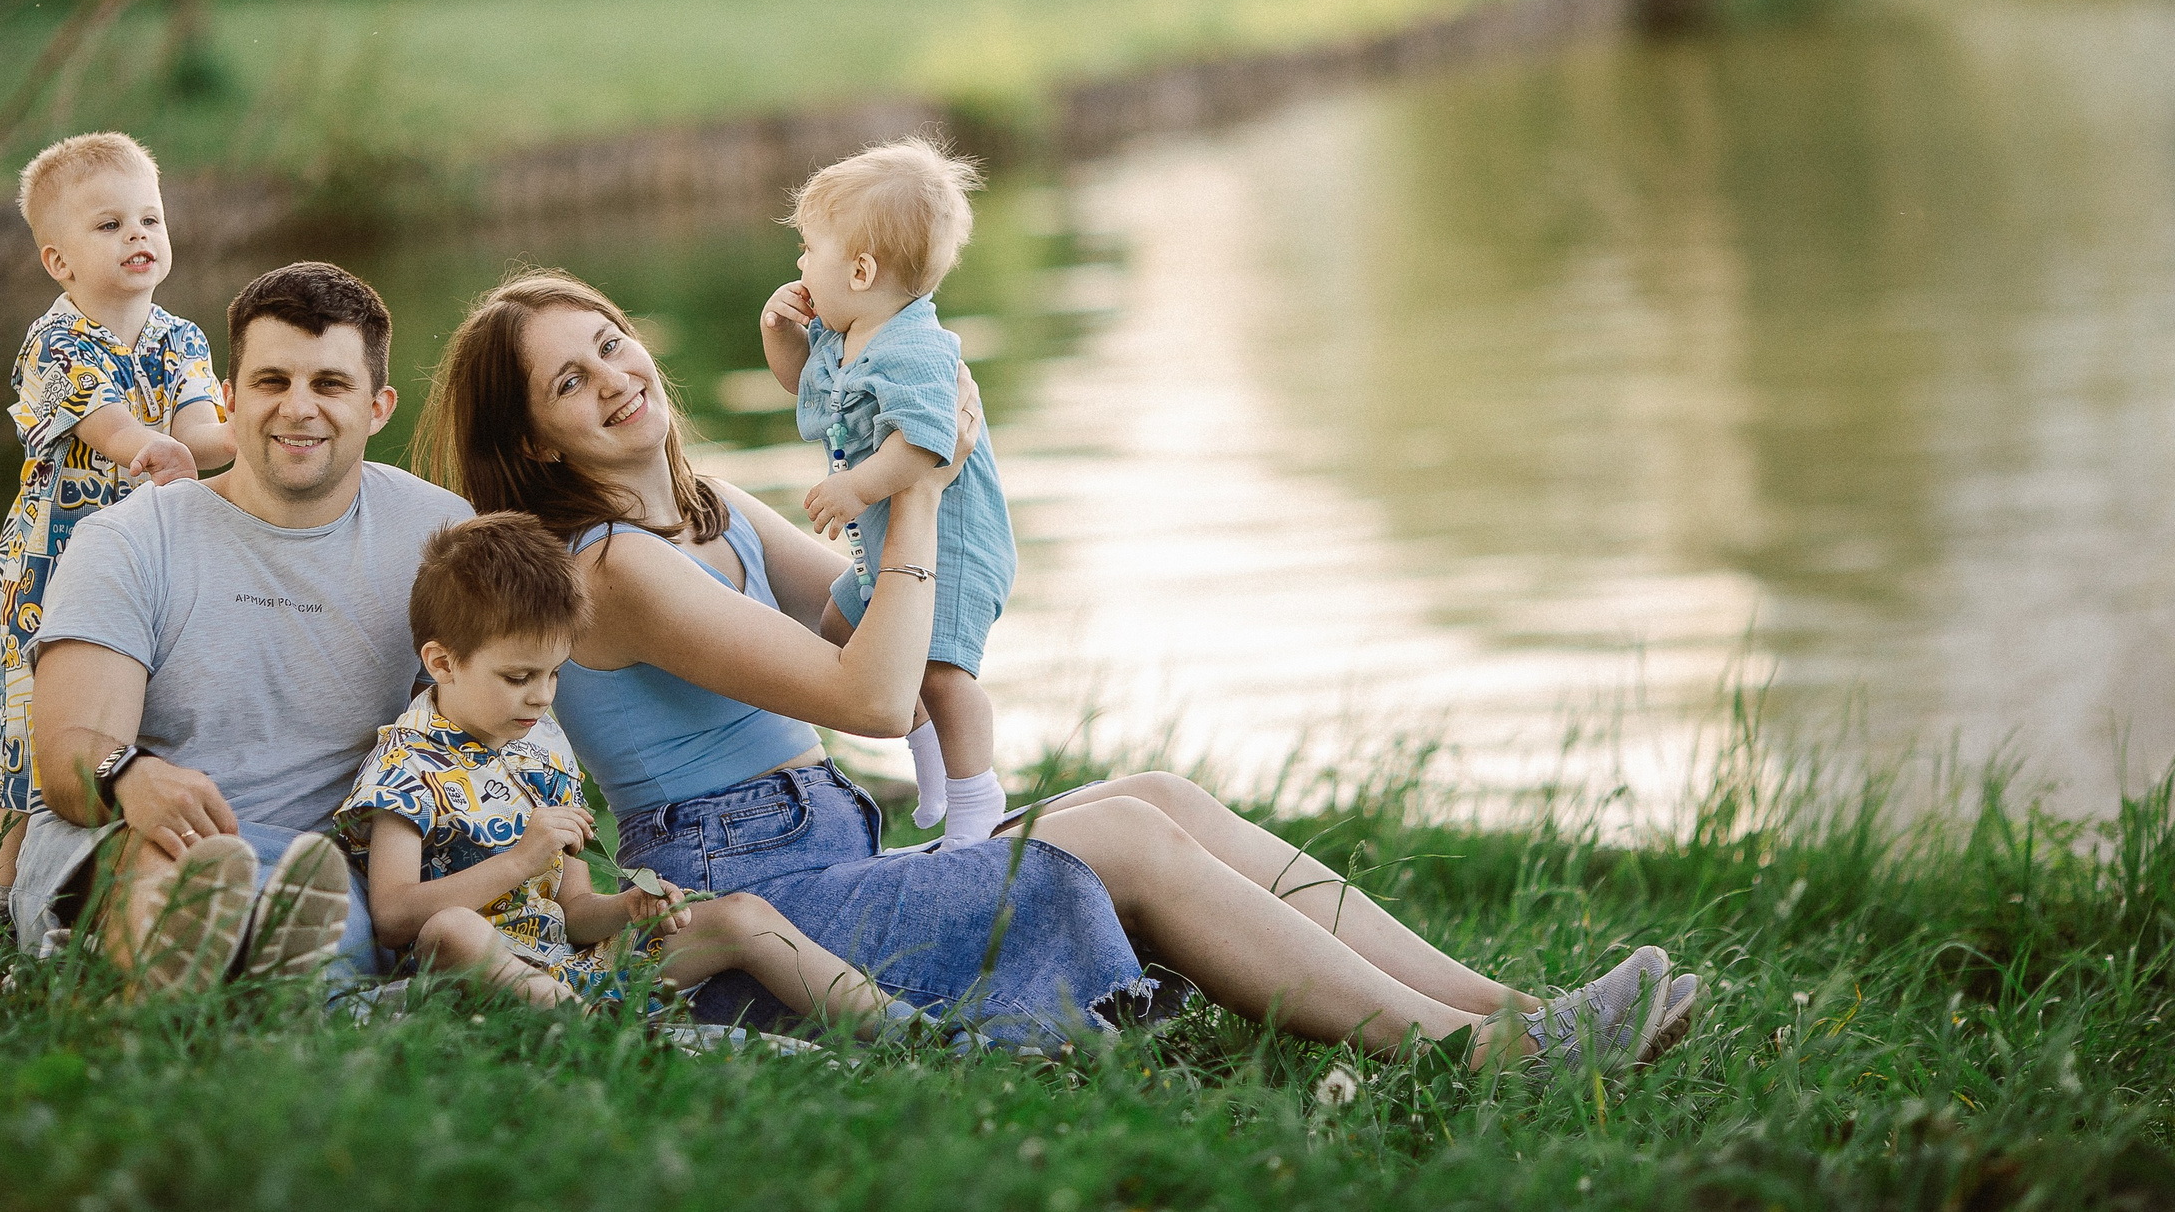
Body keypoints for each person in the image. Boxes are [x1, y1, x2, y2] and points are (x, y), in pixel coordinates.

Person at [415, 269, 1702, 1067]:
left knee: (1156, 800)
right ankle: (1475, 1062)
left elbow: (926, 640)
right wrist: (905, 494)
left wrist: (865, 403)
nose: (615, 381)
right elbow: (870, 694)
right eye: (569, 383)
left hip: (832, 867)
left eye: (610, 345)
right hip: (761, 924)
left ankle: (1511, 1010)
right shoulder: (608, 569)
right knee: (1129, 851)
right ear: (534, 440)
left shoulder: (704, 511)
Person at [10, 262, 474, 995]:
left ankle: (244, 965)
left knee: (317, 906)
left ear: (379, 405)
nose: (298, 408)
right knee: (166, 856)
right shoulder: (131, 539)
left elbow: (489, 719)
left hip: (313, 869)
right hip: (126, 831)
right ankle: (174, 983)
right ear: (227, 399)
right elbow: (66, 754)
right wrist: (130, 774)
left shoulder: (440, 538)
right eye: (271, 382)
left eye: (329, 384)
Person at [335, 513, 897, 1031]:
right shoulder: (406, 765)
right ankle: (596, 1038)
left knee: (742, 916)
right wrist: (519, 861)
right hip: (475, 974)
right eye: (518, 677)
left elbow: (574, 913)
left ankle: (918, 1036)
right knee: (450, 931)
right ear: (442, 663)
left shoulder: (541, 746)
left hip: (573, 971)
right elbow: (393, 915)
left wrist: (624, 909)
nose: (540, 698)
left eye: (554, 674)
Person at [0, 133, 237, 897]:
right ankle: (6, 892)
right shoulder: (56, 342)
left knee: (140, 712)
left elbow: (200, 434)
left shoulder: (181, 338)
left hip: (155, 560)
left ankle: (128, 877)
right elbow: (116, 431)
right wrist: (153, 449)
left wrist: (257, 433)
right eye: (111, 224)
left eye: (151, 219)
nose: (139, 235)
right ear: (58, 261)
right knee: (37, 733)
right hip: (53, 565)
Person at [759, 137, 1016, 843]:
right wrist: (778, 330)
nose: (802, 264)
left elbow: (934, 439)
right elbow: (798, 389)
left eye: (810, 250)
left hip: (953, 544)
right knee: (841, 635)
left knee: (941, 672)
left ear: (862, 269)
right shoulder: (846, 339)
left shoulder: (912, 347)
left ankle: (976, 797)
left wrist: (857, 485)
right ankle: (928, 752)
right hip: (888, 550)